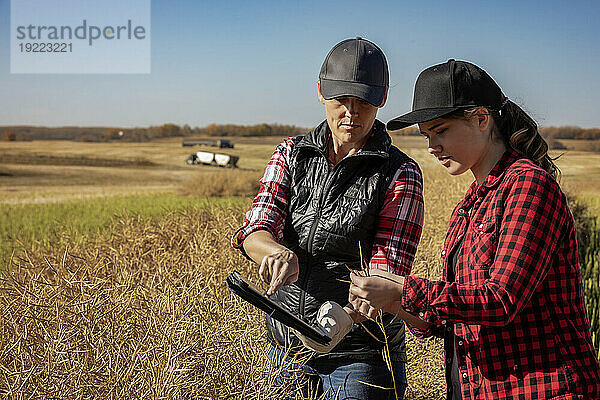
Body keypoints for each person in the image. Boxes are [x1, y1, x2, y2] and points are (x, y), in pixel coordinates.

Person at [348, 59, 600, 399]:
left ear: (482, 119)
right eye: (426, 135)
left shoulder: (529, 187)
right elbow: (456, 318)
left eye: (441, 130)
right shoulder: (469, 205)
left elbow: (501, 301)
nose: (432, 146)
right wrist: (390, 302)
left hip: (541, 389)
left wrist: (404, 288)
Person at [231, 37, 424, 399]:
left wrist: (347, 316)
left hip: (362, 354)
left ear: (381, 100)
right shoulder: (291, 153)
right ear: (321, 92)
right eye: (341, 101)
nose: (351, 113)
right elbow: (257, 226)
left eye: (363, 102)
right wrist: (273, 252)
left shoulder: (400, 172)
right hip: (286, 347)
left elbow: (387, 271)